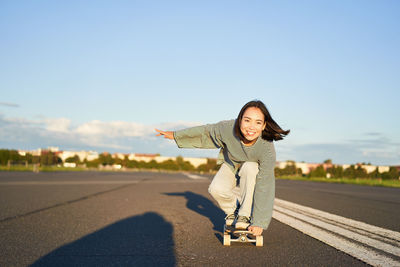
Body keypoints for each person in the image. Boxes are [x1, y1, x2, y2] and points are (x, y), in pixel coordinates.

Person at [155, 100, 289, 236]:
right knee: (216, 189)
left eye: (258, 122)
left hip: (251, 170)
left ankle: (244, 215)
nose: (251, 127)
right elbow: (205, 132)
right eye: (247, 120)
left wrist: (259, 222)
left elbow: (265, 184)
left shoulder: (266, 146)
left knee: (250, 167)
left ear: (264, 125)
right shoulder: (227, 128)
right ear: (240, 120)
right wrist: (176, 135)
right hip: (231, 164)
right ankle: (234, 211)